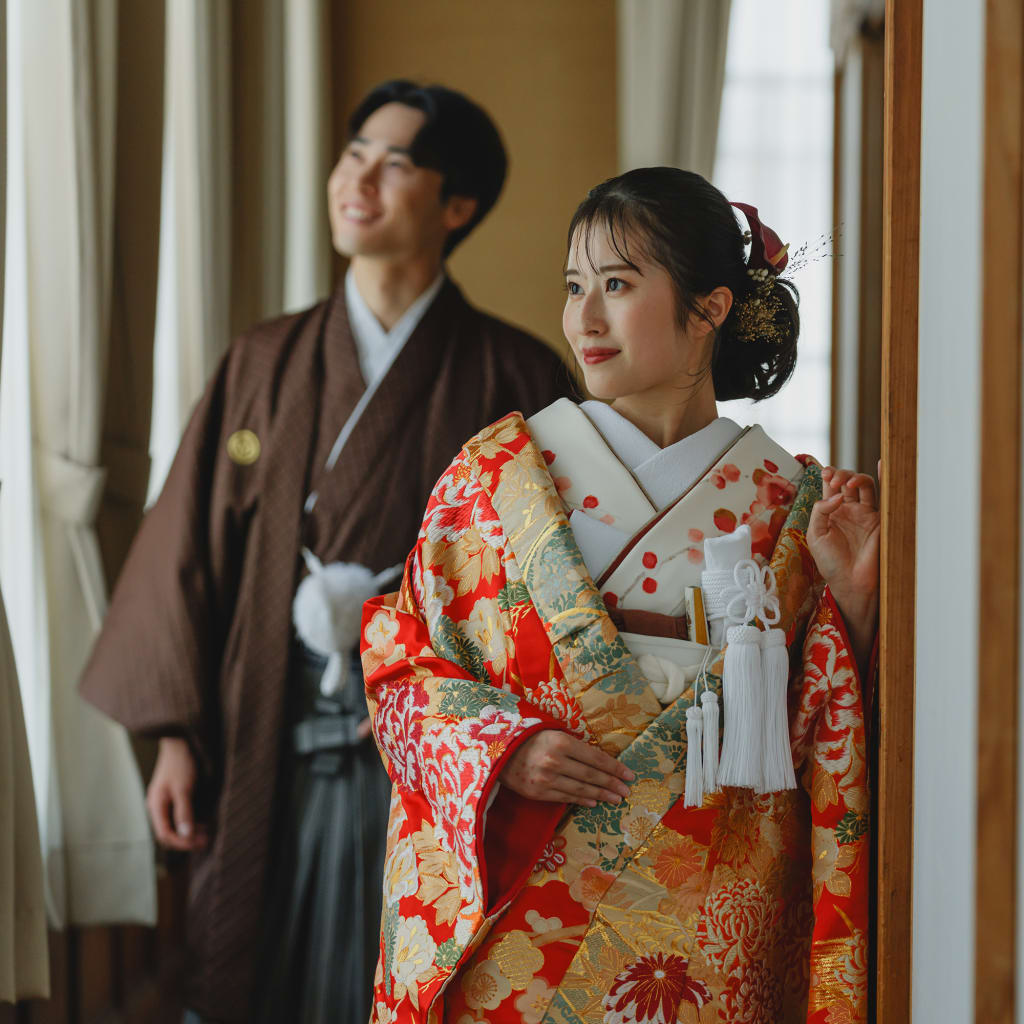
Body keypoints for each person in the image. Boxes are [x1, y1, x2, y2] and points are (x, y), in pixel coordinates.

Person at [80, 80, 570, 1024]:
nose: (361, 177)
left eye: (396, 163)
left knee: (408, 964)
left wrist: (458, 706)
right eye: (355, 154)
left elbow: (540, 588)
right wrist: (176, 736)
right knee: (259, 962)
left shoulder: (514, 374)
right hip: (269, 723)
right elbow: (191, 543)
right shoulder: (263, 362)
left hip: (429, 743)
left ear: (456, 205)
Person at [361, 167, 877, 1023]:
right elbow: (401, 664)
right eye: (574, 287)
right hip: (523, 921)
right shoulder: (492, 480)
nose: (583, 319)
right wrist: (504, 751)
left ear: (711, 307)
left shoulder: (790, 502)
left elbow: (824, 728)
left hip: (706, 931)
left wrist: (856, 610)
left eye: (617, 284)